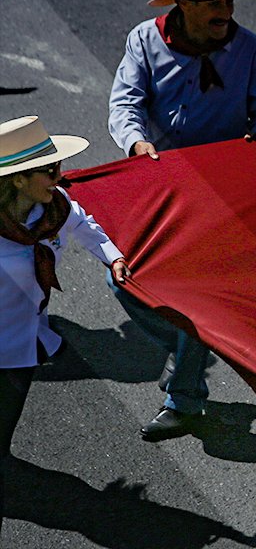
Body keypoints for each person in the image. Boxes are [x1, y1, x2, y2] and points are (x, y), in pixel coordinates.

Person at [108, 0, 256, 441]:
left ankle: (184, 399)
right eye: (213, 4)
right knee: (121, 278)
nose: (225, 11)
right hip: (159, 184)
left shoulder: (248, 48)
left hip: (222, 192)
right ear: (184, 7)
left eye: (228, 1)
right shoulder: (144, 41)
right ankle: (189, 343)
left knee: (199, 293)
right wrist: (136, 142)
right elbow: (125, 103)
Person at [0, 116, 130, 536]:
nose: (61, 176)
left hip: (21, 347)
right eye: (51, 170)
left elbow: (87, 228)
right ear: (18, 180)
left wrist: (113, 257)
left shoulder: (54, 209)